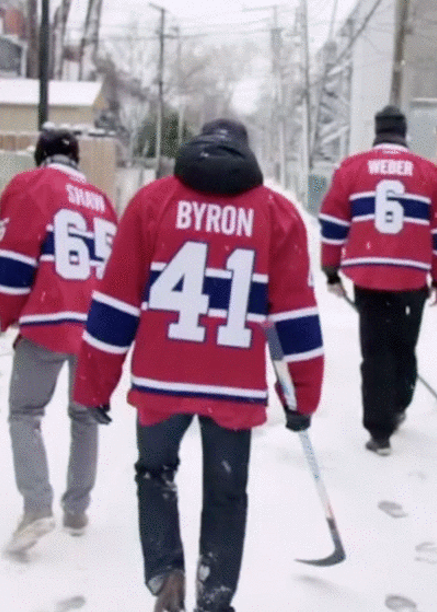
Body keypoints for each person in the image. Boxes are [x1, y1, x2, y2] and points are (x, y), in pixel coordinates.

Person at [75, 118, 324, 612]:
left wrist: (94, 383)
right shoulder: (276, 214)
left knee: (155, 472)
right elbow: (294, 319)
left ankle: (166, 571)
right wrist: (301, 397)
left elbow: (117, 301)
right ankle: (216, 596)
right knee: (227, 492)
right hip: (233, 384)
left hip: (161, 377)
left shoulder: (152, 203)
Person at [0, 128, 117, 555]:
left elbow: (12, 257)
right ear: (77, 159)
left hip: (49, 314)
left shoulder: (31, 186)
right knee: (85, 416)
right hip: (96, 324)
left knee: (24, 412)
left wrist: (9, 312)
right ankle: (77, 510)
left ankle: (36, 507)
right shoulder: (101, 200)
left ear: (40, 156)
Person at [318, 105, 437, 456]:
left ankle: (379, 432)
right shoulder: (429, 173)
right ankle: (397, 405)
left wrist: (331, 270)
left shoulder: (351, 169)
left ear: (376, 133)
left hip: (369, 276)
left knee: (375, 352)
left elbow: (332, 224)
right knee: (404, 347)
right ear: (404, 134)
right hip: (412, 276)